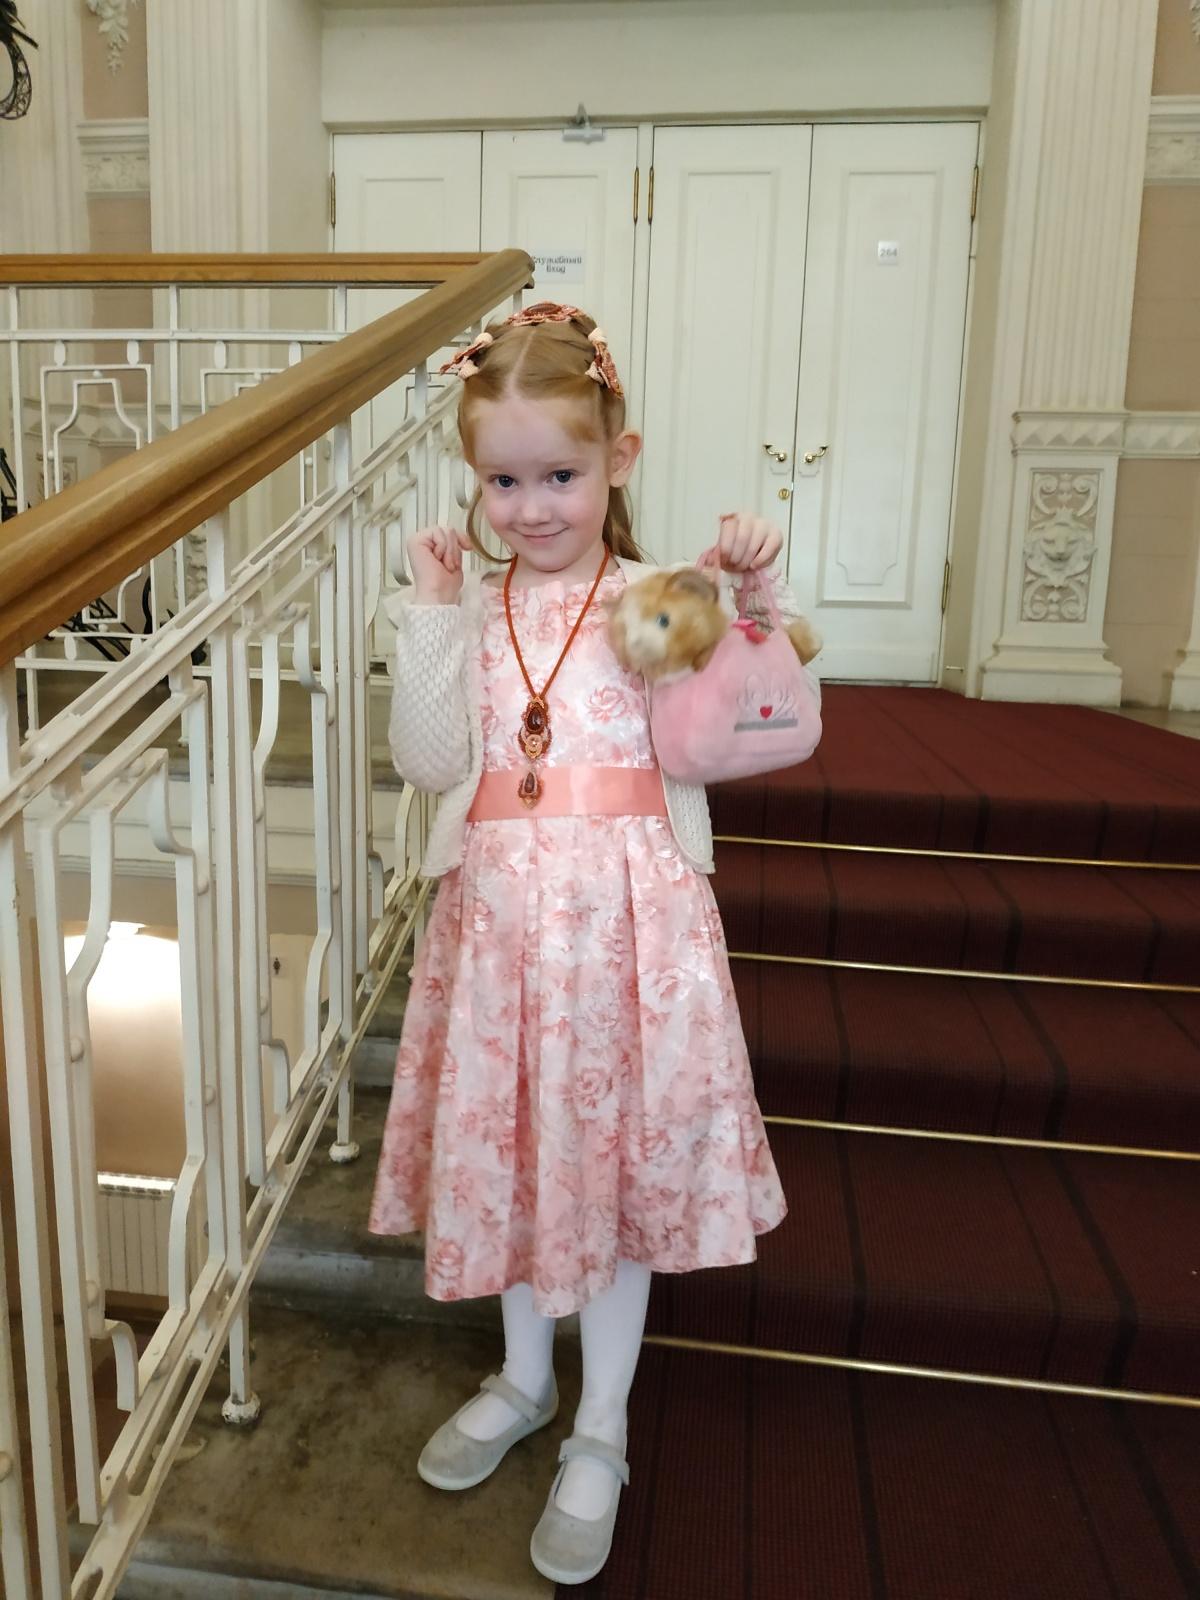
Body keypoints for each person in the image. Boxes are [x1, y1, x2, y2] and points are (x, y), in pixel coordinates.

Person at [369, 301, 809, 1586]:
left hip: (629, 938)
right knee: (518, 1160)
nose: (531, 506)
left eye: (559, 475)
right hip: (499, 940)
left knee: (608, 1176)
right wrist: (432, 613)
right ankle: (523, 1377)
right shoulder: (472, 602)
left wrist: (752, 600)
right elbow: (432, 762)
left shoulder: (651, 599)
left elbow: (728, 734)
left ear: (618, 458)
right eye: (502, 482)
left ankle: (601, 1422)